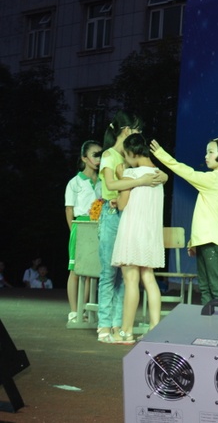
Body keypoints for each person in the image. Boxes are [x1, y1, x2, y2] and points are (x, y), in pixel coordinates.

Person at [96, 110, 166, 343]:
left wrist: (126, 178)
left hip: (131, 230)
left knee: (128, 280)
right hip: (148, 232)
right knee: (145, 279)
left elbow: (123, 203)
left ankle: (124, 329)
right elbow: (110, 183)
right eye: (137, 129)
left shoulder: (131, 172)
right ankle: (150, 327)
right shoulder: (155, 173)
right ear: (126, 131)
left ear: (132, 154)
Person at [150, 136, 218, 305]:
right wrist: (195, 241)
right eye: (206, 152)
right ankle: (208, 320)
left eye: (211, 152)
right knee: (205, 287)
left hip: (212, 241)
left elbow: (186, 172)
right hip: (207, 240)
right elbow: (205, 215)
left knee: (216, 287)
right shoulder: (216, 179)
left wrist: (160, 153)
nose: (206, 156)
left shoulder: (215, 178)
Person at [64, 140, 102, 324]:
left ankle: (83, 309)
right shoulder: (75, 182)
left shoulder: (103, 181)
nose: (99, 158)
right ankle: (73, 311)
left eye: (101, 154)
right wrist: (74, 231)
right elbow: (69, 209)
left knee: (90, 271)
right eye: (95, 155)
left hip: (98, 226)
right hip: (81, 226)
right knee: (76, 270)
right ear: (84, 158)